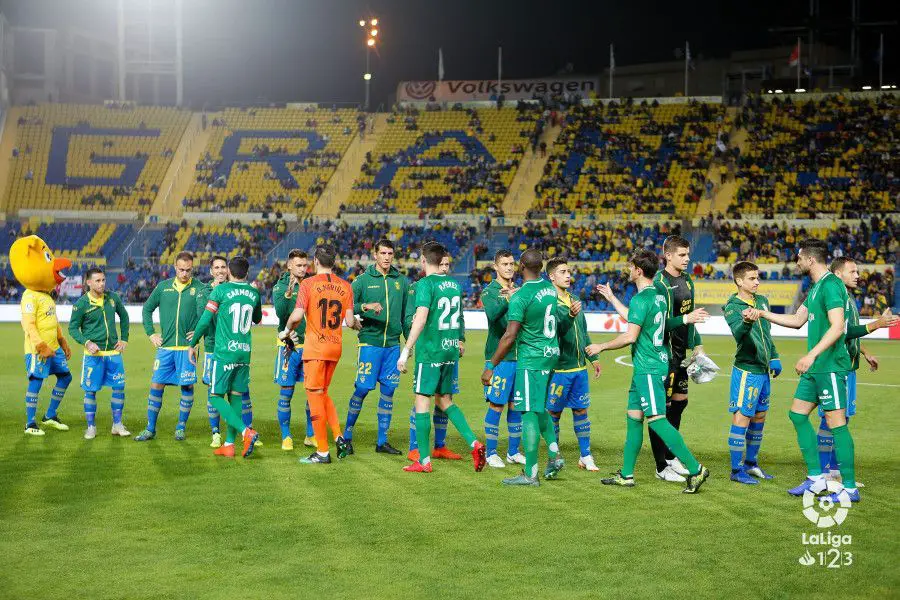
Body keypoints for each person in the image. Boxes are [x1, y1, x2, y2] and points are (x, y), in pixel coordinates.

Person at [586, 249, 710, 493]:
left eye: (631, 267)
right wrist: (612, 299)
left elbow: (631, 335)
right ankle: (627, 475)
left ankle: (696, 469)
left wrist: (601, 345)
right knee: (634, 419)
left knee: (657, 421)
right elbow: (638, 319)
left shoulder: (642, 299)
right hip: (650, 366)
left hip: (649, 368)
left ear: (638, 270)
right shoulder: (658, 296)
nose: (628, 270)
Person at [750, 240, 862, 502]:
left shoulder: (832, 285)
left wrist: (811, 355)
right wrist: (762, 314)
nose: (796, 261)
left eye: (799, 257)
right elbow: (797, 321)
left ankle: (849, 487)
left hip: (830, 367)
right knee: (797, 415)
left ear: (811, 260)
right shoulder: (815, 288)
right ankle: (815, 477)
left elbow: (837, 327)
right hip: (816, 370)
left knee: (837, 424)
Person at [399, 242, 486, 473]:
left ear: (424, 261)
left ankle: (424, 461)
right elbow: (457, 318)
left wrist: (407, 349)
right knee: (445, 401)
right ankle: (474, 443)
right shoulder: (454, 285)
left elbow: (420, 318)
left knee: (421, 401)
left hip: (431, 352)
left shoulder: (425, 284)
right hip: (450, 350)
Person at [481, 248, 564, 486]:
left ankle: (530, 473)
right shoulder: (549, 289)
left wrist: (490, 365)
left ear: (520, 266)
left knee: (527, 411)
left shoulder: (520, 295)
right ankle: (555, 454)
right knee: (538, 409)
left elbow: (509, 336)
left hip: (530, 358)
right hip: (550, 354)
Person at [816, 257, 898, 485]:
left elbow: (848, 333)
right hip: (835, 367)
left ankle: (832, 471)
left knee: (843, 419)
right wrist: (876, 324)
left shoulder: (848, 298)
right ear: (838, 274)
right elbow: (840, 331)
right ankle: (822, 472)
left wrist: (865, 353)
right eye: (852, 271)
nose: (857, 275)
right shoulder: (835, 297)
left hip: (849, 368)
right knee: (830, 419)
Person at [281, 245, 354, 464]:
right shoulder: (346, 286)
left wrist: (287, 330)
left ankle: (322, 451)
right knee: (323, 393)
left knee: (314, 397)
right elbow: (350, 321)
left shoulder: (308, 284)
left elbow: (297, 315)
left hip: (315, 348)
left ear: (315, 261)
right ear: (334, 262)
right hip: (335, 348)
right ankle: (339, 437)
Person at [189, 256, 261, 458]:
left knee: (215, 396)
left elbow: (204, 321)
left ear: (229, 270)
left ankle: (247, 432)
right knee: (236, 396)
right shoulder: (254, 292)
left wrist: (192, 343)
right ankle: (229, 444)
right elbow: (257, 318)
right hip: (244, 352)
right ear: (247, 273)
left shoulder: (220, 291)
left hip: (224, 352)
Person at [650, 235, 709, 482]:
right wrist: (686, 319)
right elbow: (658, 324)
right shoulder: (659, 283)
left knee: (680, 402)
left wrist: (698, 346)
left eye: (688, 254)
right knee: (660, 410)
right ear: (668, 255)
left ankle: (672, 456)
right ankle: (661, 466)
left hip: (681, 355)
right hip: (663, 355)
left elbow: (691, 318)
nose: (687, 259)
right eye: (682, 255)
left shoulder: (687, 281)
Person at [343, 239, 409, 455]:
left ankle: (382, 442)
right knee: (362, 389)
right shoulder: (362, 281)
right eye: (383, 253)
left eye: (390, 253)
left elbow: (406, 317)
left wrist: (408, 346)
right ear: (375, 255)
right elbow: (347, 306)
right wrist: (365, 306)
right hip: (370, 342)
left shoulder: (401, 281)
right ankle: (347, 436)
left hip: (392, 345)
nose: (387, 257)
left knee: (388, 392)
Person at [135, 251, 205, 442]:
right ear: (175, 267)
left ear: (192, 268)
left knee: (187, 386)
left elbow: (209, 313)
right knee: (156, 384)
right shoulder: (163, 287)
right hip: (165, 348)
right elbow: (147, 309)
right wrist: (151, 333)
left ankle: (181, 426)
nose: (184, 274)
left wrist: (199, 331)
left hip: (187, 348)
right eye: (181, 269)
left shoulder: (200, 288)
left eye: (188, 270)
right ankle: (150, 428)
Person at [722, 262, 780, 484]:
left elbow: (767, 334)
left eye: (758, 278)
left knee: (760, 417)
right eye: (752, 278)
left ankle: (751, 463)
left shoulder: (762, 302)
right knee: (742, 417)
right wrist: (746, 321)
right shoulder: (732, 306)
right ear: (739, 281)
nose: (757, 282)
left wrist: (773, 356)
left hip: (763, 370)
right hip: (747, 370)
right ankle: (736, 471)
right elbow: (738, 334)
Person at [404, 246, 463, 463]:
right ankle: (416, 448)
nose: (445, 268)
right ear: (437, 262)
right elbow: (411, 317)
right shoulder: (422, 287)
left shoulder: (432, 285)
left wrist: (461, 338)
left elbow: (458, 318)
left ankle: (432, 452)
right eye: (443, 264)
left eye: (448, 264)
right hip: (437, 349)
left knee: (430, 399)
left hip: (436, 351)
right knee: (432, 399)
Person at [546, 257, 602, 471]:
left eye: (569, 271)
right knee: (554, 414)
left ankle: (586, 456)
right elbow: (556, 330)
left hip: (579, 369)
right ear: (552, 276)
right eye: (563, 272)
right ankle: (554, 455)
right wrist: (569, 315)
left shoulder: (574, 299)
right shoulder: (549, 302)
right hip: (559, 369)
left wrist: (593, 358)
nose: (568, 275)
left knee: (581, 411)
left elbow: (583, 332)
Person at [68, 267, 131, 439]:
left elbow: (124, 317)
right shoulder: (81, 304)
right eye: (97, 280)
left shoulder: (113, 298)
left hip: (113, 353)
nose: (102, 283)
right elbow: (73, 328)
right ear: (88, 282)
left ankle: (117, 424)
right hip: (93, 357)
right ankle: (91, 427)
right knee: (90, 391)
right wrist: (86, 342)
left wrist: (124, 338)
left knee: (119, 387)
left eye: (103, 280)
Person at [480, 249, 525, 468]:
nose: (509, 267)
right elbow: (492, 315)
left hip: (520, 356)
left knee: (516, 406)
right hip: (500, 358)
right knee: (497, 405)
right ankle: (490, 453)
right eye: (504, 264)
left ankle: (513, 452)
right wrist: (509, 298)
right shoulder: (490, 291)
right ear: (495, 267)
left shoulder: (520, 290)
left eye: (511, 264)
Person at [272, 250, 315, 451]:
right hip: (289, 348)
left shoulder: (312, 284)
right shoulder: (280, 287)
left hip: (311, 348)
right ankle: (286, 436)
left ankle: (310, 435)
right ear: (289, 266)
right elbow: (280, 314)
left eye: (305, 265)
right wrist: (288, 294)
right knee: (286, 393)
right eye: (298, 265)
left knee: (311, 394)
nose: (303, 269)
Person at [197, 256, 228, 448]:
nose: (220, 271)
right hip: (212, 349)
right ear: (211, 272)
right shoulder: (204, 292)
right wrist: (216, 293)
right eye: (216, 268)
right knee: (213, 392)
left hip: (232, 348)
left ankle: (245, 430)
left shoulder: (234, 290)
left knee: (239, 391)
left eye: (223, 267)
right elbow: (204, 318)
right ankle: (215, 432)